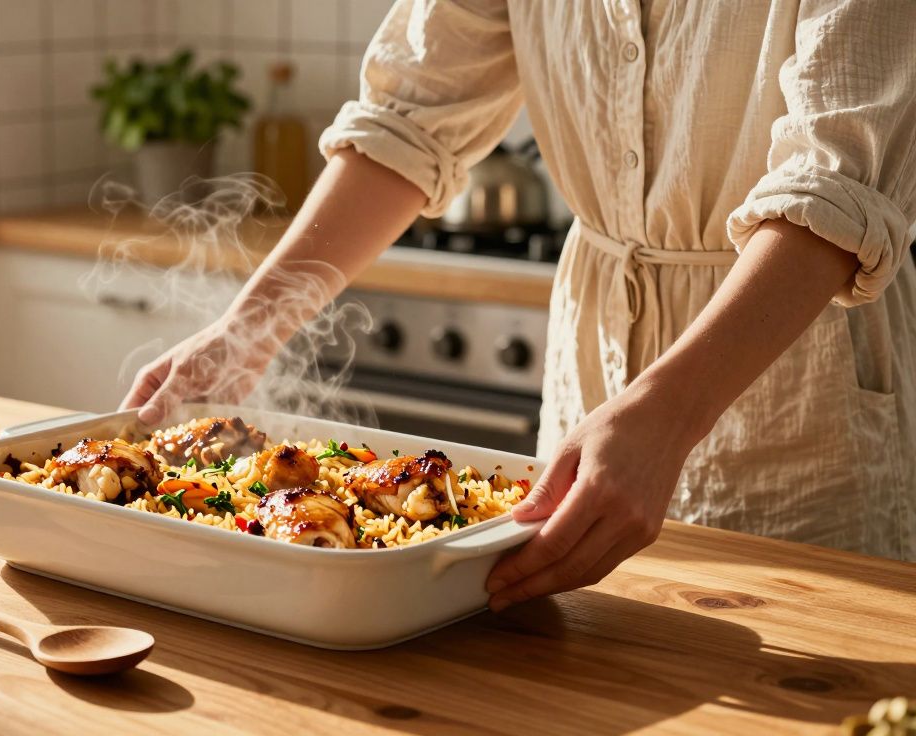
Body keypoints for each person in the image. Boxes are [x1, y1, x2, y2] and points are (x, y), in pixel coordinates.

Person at [121, 1, 916, 611]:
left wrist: (666, 415)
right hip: (592, 366)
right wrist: (247, 328)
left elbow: (836, 184)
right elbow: (407, 120)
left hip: (799, 385)